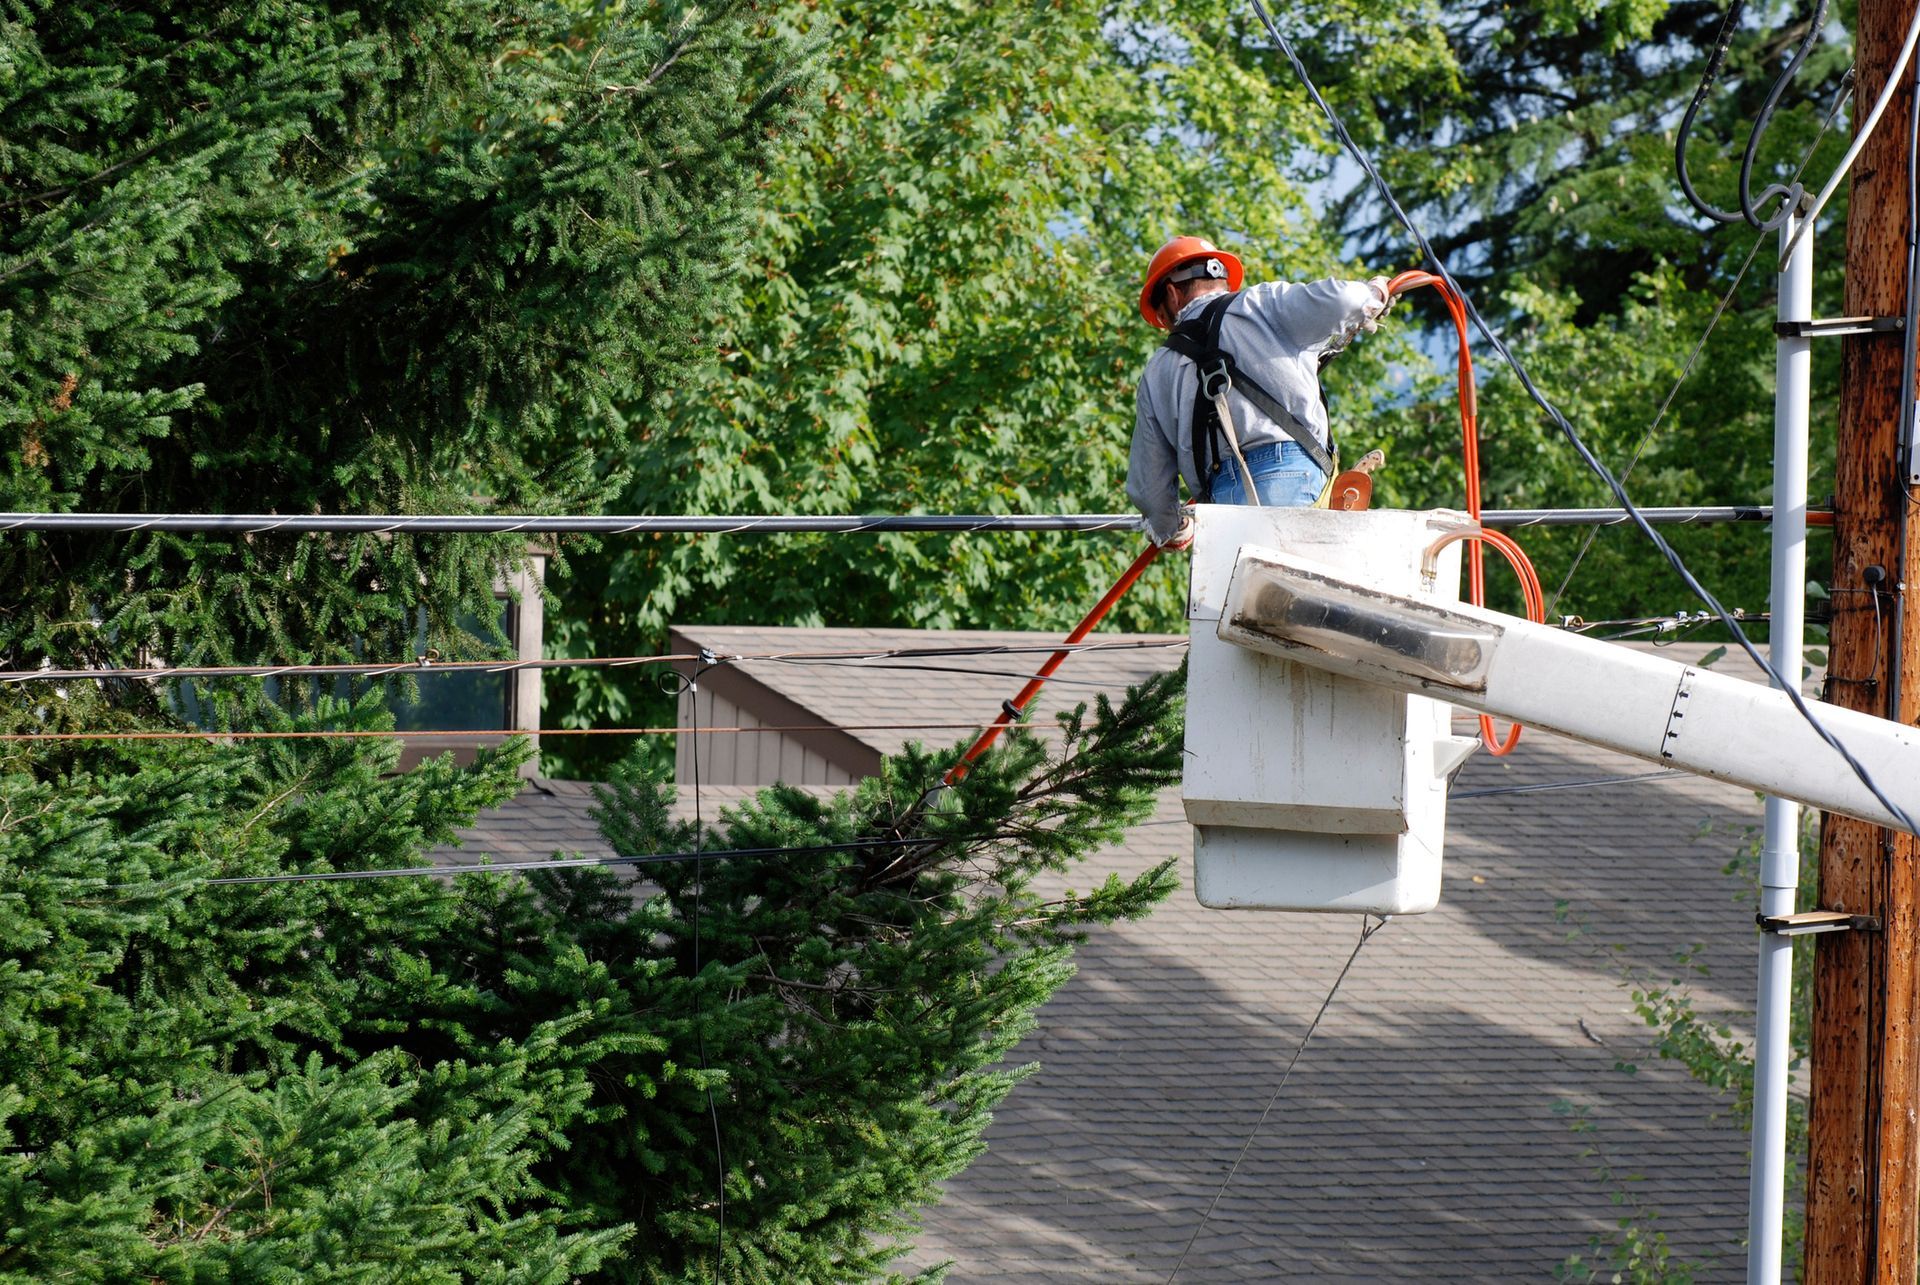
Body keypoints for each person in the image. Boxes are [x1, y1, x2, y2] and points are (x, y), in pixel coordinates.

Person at [1127, 235, 1393, 549]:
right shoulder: (1258, 304)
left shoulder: (1159, 369)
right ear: (1222, 279)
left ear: (1170, 295)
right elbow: (1346, 301)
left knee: (1239, 597)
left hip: (1220, 506)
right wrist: (1375, 292)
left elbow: (1149, 487)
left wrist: (1172, 527)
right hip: (1292, 476)